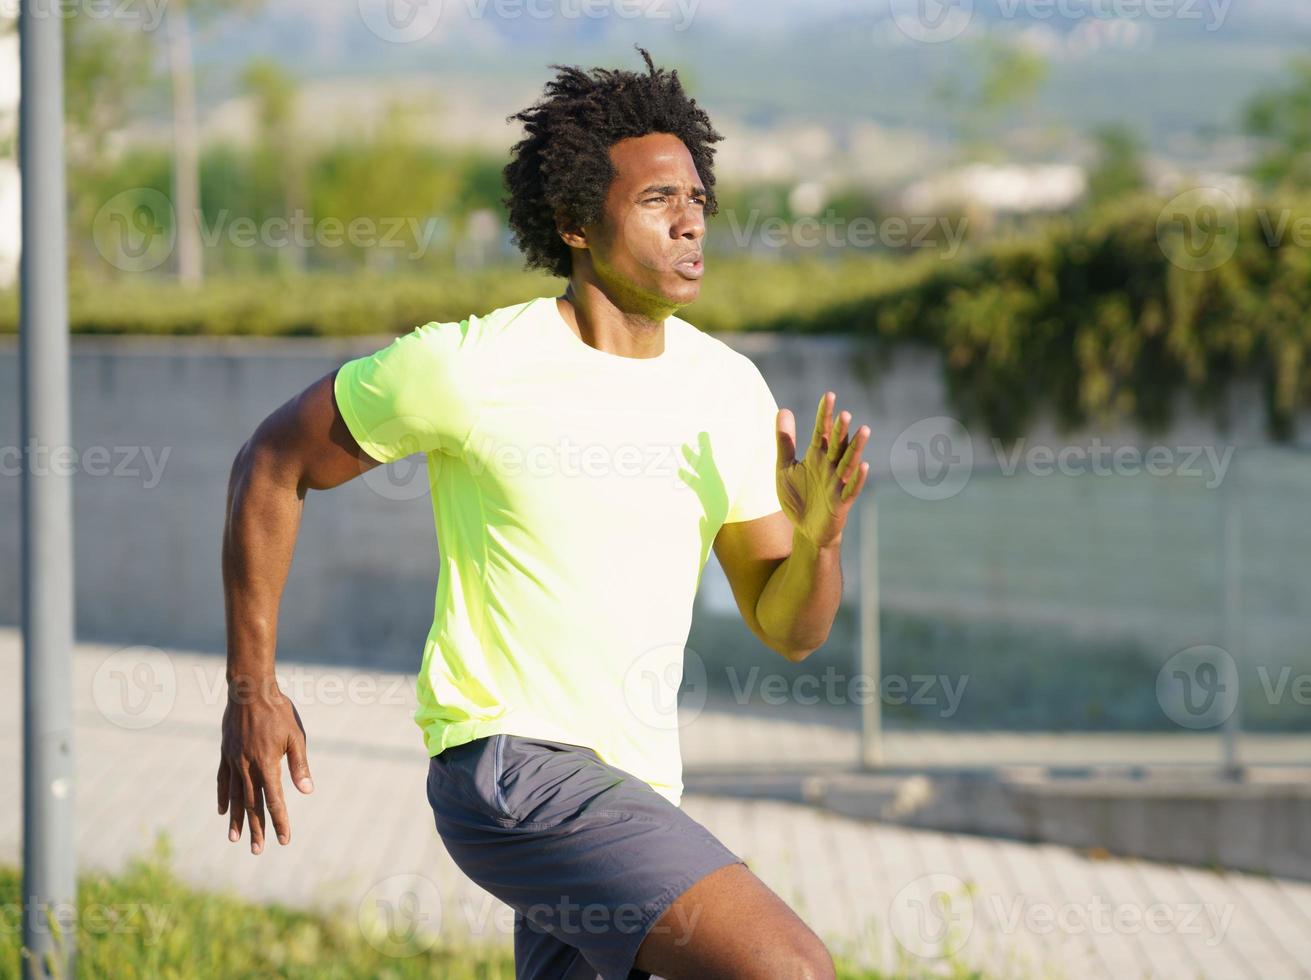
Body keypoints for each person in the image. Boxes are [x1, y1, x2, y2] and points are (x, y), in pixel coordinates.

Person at [217, 45, 870, 980]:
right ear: (571, 222)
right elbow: (271, 463)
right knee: (789, 968)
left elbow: (791, 627)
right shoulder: (470, 366)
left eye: (696, 200)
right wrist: (253, 688)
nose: (690, 223)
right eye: (657, 201)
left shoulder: (726, 390)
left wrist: (820, 541)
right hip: (508, 761)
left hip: (632, 791)